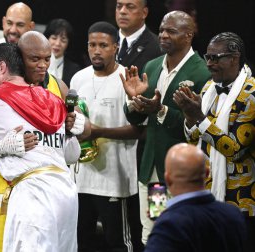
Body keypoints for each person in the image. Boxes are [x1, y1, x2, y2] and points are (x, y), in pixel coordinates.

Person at [0, 42, 78, 252]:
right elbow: (72, 154)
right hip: (67, 193)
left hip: (32, 193)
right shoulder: (53, 99)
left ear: (1, 68)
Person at [121, 10, 211, 244]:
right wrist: (134, 102)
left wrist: (159, 110)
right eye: (161, 30)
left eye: (171, 31)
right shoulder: (151, 67)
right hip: (154, 172)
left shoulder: (202, 72)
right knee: (154, 232)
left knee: (183, 235)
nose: (163, 35)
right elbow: (136, 119)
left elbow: (198, 127)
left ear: (189, 35)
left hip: (184, 173)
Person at [173, 32, 255, 252]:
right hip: (209, 194)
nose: (209, 64)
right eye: (207, 57)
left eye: (216, 58)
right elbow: (193, 139)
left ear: (235, 57)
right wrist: (190, 116)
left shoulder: (252, 95)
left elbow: (235, 150)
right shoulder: (209, 87)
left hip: (242, 199)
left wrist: (199, 117)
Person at [70, 21, 144, 252]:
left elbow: (140, 130)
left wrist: (97, 131)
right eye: (92, 44)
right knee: (82, 242)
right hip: (80, 180)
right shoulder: (78, 78)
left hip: (115, 180)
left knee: (120, 244)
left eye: (103, 45)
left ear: (116, 47)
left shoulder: (128, 79)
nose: (96, 50)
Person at [115, 1, 163, 250]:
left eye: (130, 6)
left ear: (144, 13)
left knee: (157, 222)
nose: (122, 11)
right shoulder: (106, 42)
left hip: (153, 154)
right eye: (119, 5)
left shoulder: (157, 51)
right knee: (139, 224)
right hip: (118, 154)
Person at [145, 143, 246, 252]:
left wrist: (160, 224)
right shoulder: (233, 214)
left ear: (168, 179)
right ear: (207, 173)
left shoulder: (168, 225)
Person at [43, 18, 81, 86]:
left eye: (63, 40)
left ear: (68, 43)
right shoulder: (37, 64)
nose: (57, 43)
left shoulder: (75, 70)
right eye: (54, 38)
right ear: (46, 38)